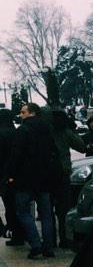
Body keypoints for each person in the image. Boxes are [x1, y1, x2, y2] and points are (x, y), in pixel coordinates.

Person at [6, 102, 60, 258]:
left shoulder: (22, 130)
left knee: (23, 212)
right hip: (44, 178)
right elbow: (52, 152)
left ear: (32, 113)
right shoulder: (47, 130)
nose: (21, 115)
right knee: (46, 214)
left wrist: (11, 174)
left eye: (23, 112)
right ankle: (48, 247)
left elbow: (16, 154)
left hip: (25, 179)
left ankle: (35, 244)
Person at [49, 108, 87, 248]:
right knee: (63, 207)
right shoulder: (65, 132)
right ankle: (64, 238)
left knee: (47, 208)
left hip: (46, 173)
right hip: (63, 172)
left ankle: (50, 239)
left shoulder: (44, 132)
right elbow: (82, 147)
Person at [0, 108, 24, 245]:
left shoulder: (1, 134)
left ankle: (15, 234)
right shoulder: (17, 132)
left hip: (4, 174)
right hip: (18, 174)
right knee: (19, 205)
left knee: (9, 206)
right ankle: (22, 232)